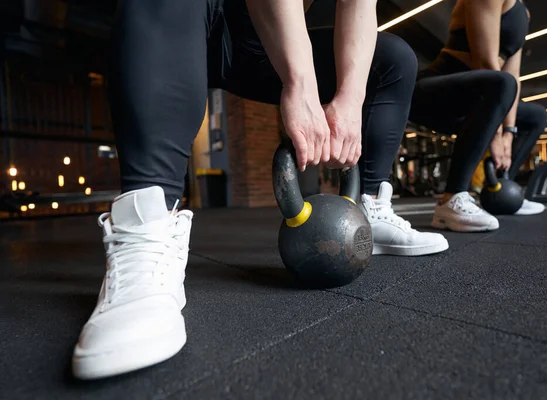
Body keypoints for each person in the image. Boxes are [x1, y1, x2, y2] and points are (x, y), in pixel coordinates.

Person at [71, 0, 449, 380]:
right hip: (188, 14)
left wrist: (350, 102)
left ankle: (368, 208)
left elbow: (359, 7)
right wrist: (300, 84)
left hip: (259, 43)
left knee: (394, 58)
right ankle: (147, 229)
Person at [409, 0, 547, 231]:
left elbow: (513, 74)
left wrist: (509, 134)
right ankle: (451, 198)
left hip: (483, 98)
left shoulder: (523, 12)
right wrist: (496, 134)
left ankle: (501, 192)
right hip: (433, 93)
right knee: (500, 84)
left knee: (536, 116)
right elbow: (484, 62)